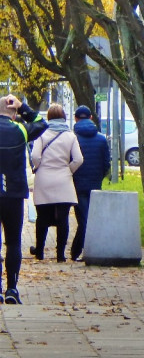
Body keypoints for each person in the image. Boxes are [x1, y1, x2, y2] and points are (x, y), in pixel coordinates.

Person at [0, 94, 48, 304]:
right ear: (13, 112)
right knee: (13, 242)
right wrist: (23, 108)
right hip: (14, 192)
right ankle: (11, 288)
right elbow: (41, 123)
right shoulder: (19, 130)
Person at [30, 104, 83, 263]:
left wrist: (38, 167)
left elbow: (35, 156)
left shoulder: (41, 134)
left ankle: (39, 252)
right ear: (64, 117)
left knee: (42, 218)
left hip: (44, 178)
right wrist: (68, 170)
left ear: (48, 117)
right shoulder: (70, 136)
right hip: (63, 179)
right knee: (63, 219)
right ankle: (60, 255)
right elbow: (79, 159)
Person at [71, 105, 110, 262]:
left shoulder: (73, 138)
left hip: (77, 184)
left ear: (75, 118)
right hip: (95, 184)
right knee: (90, 218)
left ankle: (77, 251)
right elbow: (106, 163)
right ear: (91, 118)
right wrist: (99, 176)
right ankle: (81, 250)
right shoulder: (101, 139)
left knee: (83, 219)